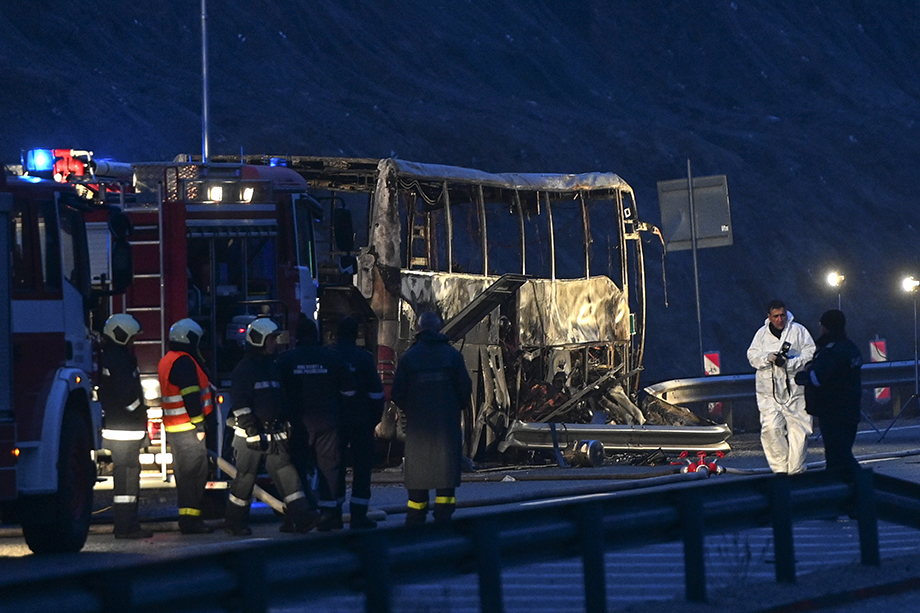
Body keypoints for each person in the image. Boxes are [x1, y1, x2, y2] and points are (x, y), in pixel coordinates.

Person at [224, 318, 317, 535]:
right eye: (272, 339)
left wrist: (284, 426)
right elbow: (241, 404)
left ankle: (303, 517)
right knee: (245, 480)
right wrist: (252, 432)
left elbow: (279, 400)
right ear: (259, 340)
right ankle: (234, 522)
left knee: (286, 472)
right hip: (250, 437)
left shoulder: (272, 367)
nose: (275, 342)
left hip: (274, 434)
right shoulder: (244, 369)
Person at [391, 311, 472, 526]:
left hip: (418, 429)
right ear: (439, 329)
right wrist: (452, 408)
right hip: (446, 427)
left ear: (418, 329)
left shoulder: (409, 358)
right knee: (445, 477)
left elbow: (397, 392)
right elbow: (465, 391)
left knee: (418, 477)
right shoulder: (453, 356)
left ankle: (416, 518)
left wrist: (413, 409)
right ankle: (443, 518)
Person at [277, 316, 356, 531]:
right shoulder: (333, 359)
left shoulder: (285, 360)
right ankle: (330, 516)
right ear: (317, 335)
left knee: (299, 470)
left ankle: (299, 516)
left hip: (298, 424)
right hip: (329, 422)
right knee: (330, 467)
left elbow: (277, 393)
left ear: (297, 337)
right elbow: (349, 393)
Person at [157, 318, 215, 534]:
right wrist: (200, 426)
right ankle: (192, 522)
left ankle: (189, 519)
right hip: (188, 428)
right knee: (194, 476)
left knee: (185, 476)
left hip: (175, 428)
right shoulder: (184, 361)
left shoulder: (168, 360)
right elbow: (191, 396)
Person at [99, 314, 153, 539]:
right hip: (125, 430)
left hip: (121, 428)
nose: (132, 342)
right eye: (130, 337)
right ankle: (126, 527)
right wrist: (140, 410)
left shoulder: (112, 357)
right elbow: (127, 396)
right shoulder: (120, 360)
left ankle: (129, 524)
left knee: (128, 480)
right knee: (128, 481)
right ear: (120, 335)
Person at [747, 300, 816, 474]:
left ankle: (796, 470)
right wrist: (767, 357)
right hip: (769, 392)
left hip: (795, 390)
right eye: (776, 316)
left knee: (799, 431)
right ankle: (780, 470)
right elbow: (752, 356)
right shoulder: (761, 335)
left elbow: (810, 353)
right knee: (771, 429)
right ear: (769, 317)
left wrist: (790, 363)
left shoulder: (798, 331)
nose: (780, 319)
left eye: (782, 315)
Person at [795, 309, 863, 482]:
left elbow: (817, 378)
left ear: (826, 326)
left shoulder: (832, 350)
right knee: (842, 453)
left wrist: (806, 372)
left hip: (833, 411)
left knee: (838, 456)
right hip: (851, 409)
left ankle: (864, 486)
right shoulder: (851, 347)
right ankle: (846, 492)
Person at [331, 316, 385, 530]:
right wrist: (373, 421)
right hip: (361, 422)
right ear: (356, 335)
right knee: (362, 471)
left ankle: (334, 516)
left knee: (334, 468)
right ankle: (358, 517)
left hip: (335, 422)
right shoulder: (364, 358)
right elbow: (376, 393)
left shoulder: (330, 356)